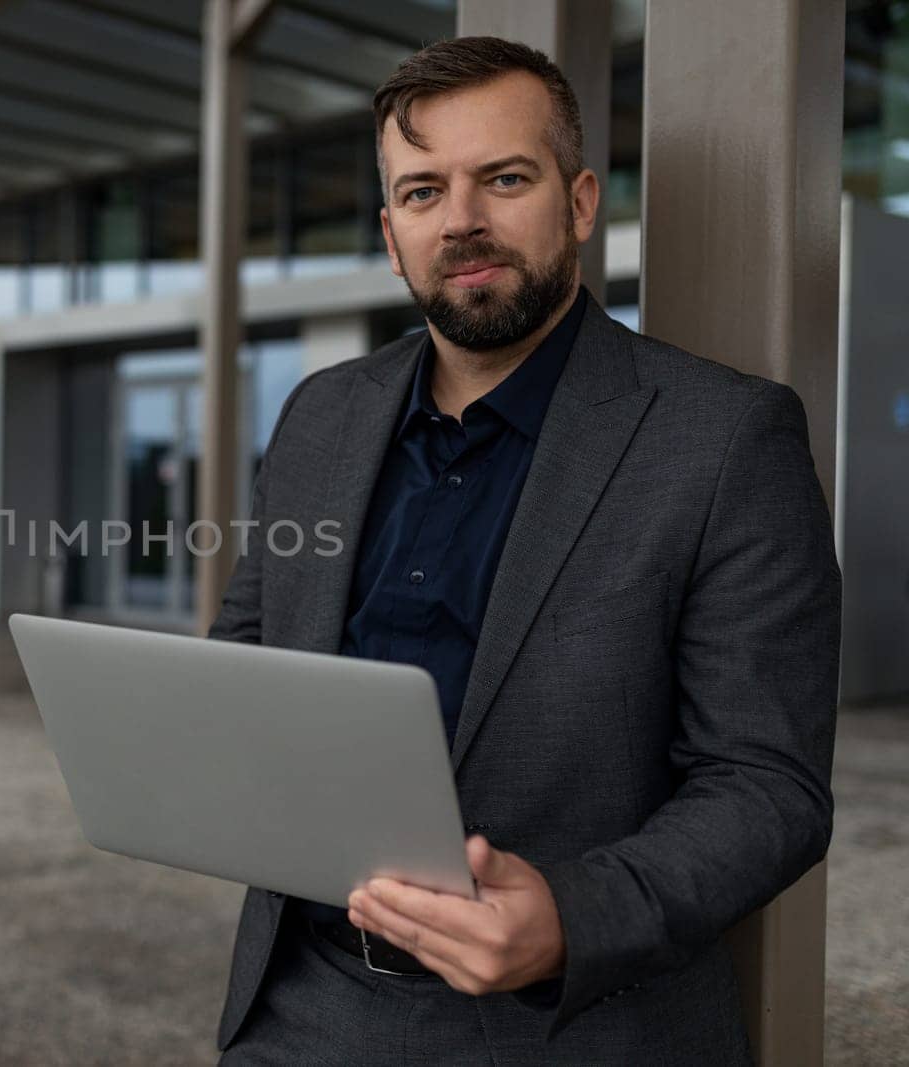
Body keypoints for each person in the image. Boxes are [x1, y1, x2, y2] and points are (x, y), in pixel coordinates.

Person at [206, 36, 840, 1065]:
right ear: (389, 231)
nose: (460, 220)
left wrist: (567, 916)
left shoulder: (725, 437)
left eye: (503, 178)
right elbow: (243, 657)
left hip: (573, 1027)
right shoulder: (321, 415)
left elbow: (765, 784)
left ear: (580, 202)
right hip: (304, 1011)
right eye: (421, 192)